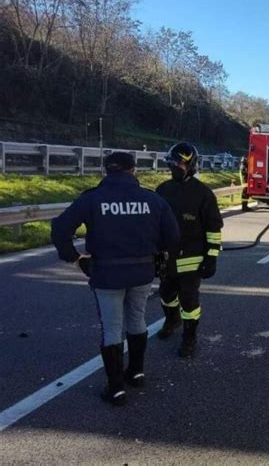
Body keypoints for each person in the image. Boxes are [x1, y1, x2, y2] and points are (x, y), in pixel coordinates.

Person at [51, 152, 180, 406]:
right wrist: (155, 252)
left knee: (112, 327)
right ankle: (137, 371)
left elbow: (59, 229)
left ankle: (116, 387)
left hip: (107, 274)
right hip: (142, 272)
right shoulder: (151, 199)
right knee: (137, 319)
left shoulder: (92, 199)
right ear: (133, 171)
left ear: (107, 171)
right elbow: (173, 236)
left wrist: (76, 258)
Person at [155, 142, 223, 358]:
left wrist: (211, 258)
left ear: (190, 165)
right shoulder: (163, 190)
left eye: (178, 164)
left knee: (189, 301)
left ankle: (189, 338)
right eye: (171, 163)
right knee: (166, 294)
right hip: (167, 258)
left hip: (193, 260)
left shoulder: (203, 194)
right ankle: (171, 319)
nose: (174, 167)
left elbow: (213, 228)